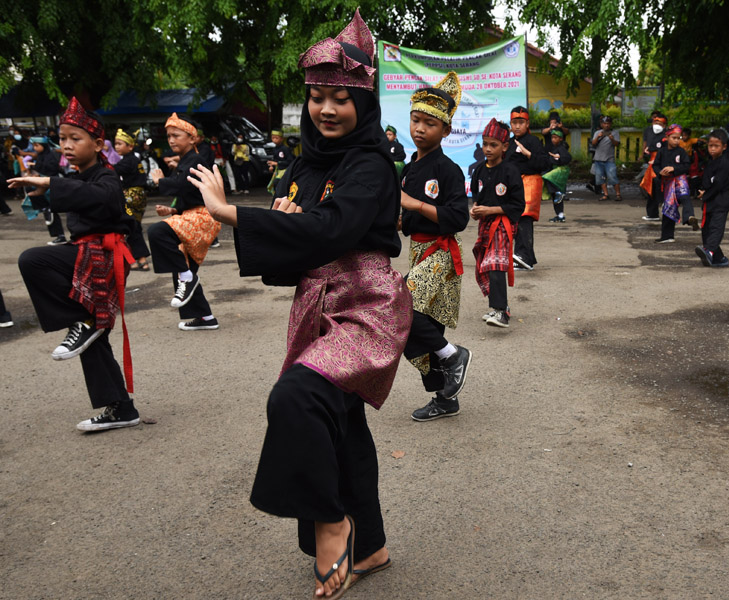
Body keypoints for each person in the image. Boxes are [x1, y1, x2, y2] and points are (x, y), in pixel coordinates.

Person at [187, 11, 412, 599]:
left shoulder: (371, 166)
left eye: (341, 98)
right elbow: (293, 257)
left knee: (297, 396)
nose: (328, 110)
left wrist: (233, 212)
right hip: (316, 304)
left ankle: (331, 520)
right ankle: (372, 547)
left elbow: (332, 232)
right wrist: (269, 225)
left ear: (363, 104)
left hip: (365, 307)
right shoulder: (304, 168)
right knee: (344, 423)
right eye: (318, 98)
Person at [10, 97, 139, 431]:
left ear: (98, 144)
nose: (66, 145)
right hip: (88, 258)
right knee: (95, 339)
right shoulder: (80, 174)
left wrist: (52, 185)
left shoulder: (107, 176)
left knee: (33, 260)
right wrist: (50, 188)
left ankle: (83, 322)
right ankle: (122, 409)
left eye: (75, 138)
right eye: (62, 139)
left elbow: (105, 198)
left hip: (104, 260)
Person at [400, 70, 472, 422]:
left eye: (429, 123)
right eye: (415, 120)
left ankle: (453, 355)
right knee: (416, 332)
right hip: (417, 251)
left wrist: (414, 206)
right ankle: (445, 398)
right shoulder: (408, 167)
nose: (420, 128)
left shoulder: (448, 169)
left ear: (445, 131)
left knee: (400, 309)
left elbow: (459, 217)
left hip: (441, 254)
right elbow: (404, 217)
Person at [147, 113, 222, 331]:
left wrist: (160, 181)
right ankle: (205, 317)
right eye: (169, 136)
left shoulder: (195, 160)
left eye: (176, 135)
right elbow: (190, 194)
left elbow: (180, 186)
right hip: (192, 214)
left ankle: (188, 281)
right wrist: (172, 209)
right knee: (183, 269)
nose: (171, 140)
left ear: (192, 138)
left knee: (157, 233)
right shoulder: (187, 160)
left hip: (202, 216)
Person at [470, 119, 524, 328]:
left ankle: (501, 312)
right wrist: (475, 210)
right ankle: (500, 307)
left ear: (505, 147)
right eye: (485, 144)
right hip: (485, 225)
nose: (488, 149)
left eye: (493, 145)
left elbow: (518, 205)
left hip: (503, 225)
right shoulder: (479, 171)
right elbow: (477, 197)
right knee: (486, 265)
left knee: (495, 264)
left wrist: (491, 210)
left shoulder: (510, 171)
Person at [506, 106, 548, 271]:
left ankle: (523, 256)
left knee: (524, 219)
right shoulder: (508, 143)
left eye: (521, 123)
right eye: (514, 123)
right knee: (513, 220)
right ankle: (524, 257)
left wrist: (528, 154)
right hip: (514, 186)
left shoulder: (533, 142)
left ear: (527, 123)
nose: (517, 126)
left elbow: (544, 163)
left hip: (529, 183)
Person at [695, 130, 729, 267]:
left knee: (716, 227)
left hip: (721, 201)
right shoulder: (710, 161)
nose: (712, 149)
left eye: (716, 146)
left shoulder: (725, 163)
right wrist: (702, 191)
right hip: (710, 201)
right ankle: (718, 258)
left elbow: (718, 184)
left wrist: (705, 194)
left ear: (724, 146)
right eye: (710, 145)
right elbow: (706, 180)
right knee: (706, 228)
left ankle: (709, 251)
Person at [114, 128, 150, 270]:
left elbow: (111, 169)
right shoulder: (133, 159)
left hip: (131, 198)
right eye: (115, 144)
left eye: (120, 144)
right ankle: (136, 258)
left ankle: (140, 259)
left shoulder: (128, 161)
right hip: (139, 197)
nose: (117, 147)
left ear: (130, 146)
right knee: (133, 226)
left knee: (131, 226)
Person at [654, 124, 695, 243]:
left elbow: (687, 165)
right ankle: (667, 236)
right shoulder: (661, 151)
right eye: (674, 138)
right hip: (667, 182)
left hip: (680, 180)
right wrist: (660, 173)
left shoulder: (681, 151)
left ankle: (689, 217)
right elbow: (656, 165)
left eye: (679, 138)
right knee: (668, 206)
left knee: (685, 198)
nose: (677, 141)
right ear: (667, 137)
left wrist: (674, 168)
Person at [28, 135, 67, 244]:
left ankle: (61, 236)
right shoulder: (40, 156)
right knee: (49, 213)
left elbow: (51, 171)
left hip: (51, 188)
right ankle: (59, 236)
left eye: (37, 145)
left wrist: (40, 176)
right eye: (34, 146)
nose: (35, 148)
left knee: (52, 212)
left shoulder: (51, 156)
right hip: (44, 188)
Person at [543, 128, 572, 222]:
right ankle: (560, 216)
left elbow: (568, 157)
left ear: (561, 138)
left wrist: (559, 158)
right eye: (552, 137)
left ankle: (558, 193)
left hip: (561, 171)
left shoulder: (561, 148)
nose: (553, 140)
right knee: (556, 197)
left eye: (555, 137)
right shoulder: (553, 148)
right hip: (556, 171)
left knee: (546, 177)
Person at [591, 115, 621, 201]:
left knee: (613, 176)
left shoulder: (614, 133)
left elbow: (617, 144)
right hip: (598, 158)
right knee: (601, 178)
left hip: (609, 159)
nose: (606, 125)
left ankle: (618, 194)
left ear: (611, 124)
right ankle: (605, 194)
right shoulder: (597, 132)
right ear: (601, 124)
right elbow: (593, 143)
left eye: (608, 123)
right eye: (604, 123)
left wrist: (612, 139)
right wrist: (598, 137)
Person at [266, 129, 294, 194]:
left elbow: (290, 161)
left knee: (277, 182)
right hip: (278, 170)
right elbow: (274, 160)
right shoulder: (275, 149)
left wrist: (277, 163)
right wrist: (271, 166)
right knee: (274, 184)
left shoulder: (285, 149)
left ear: (281, 139)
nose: (274, 139)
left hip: (285, 170)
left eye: (276, 138)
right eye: (273, 138)